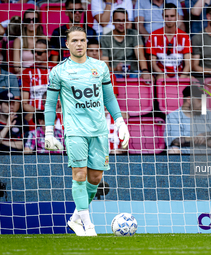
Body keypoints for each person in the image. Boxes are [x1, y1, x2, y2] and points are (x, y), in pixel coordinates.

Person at [44, 26, 130, 236]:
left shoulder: (100, 67)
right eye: (74, 41)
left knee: (95, 178)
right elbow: (50, 103)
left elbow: (109, 97)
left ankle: (75, 219)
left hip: (99, 131)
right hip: (75, 131)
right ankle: (87, 225)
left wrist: (120, 123)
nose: (79, 44)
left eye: (82, 40)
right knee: (79, 175)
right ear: (67, 44)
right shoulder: (59, 71)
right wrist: (48, 132)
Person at [164, 85, 211, 154]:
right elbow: (176, 141)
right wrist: (205, 141)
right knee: (173, 151)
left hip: (208, 154)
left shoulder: (207, 113)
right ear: (189, 100)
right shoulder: (173, 116)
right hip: (186, 155)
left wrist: (206, 135)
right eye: (200, 100)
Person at [100, 8, 152, 80]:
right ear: (112, 22)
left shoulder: (134, 34)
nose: (121, 23)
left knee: (147, 78)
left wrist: (145, 71)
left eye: (124, 20)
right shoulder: (105, 38)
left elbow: (140, 55)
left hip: (133, 72)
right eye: (118, 20)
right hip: (115, 74)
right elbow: (105, 64)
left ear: (128, 22)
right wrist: (115, 69)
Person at [146, 3, 192, 80]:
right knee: (159, 78)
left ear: (177, 16)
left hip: (179, 76)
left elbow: (188, 64)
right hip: (161, 76)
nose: (169, 19)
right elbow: (152, 63)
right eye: (166, 16)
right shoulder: (153, 36)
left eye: (172, 16)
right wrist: (164, 76)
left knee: (193, 80)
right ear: (162, 16)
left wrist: (180, 79)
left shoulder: (185, 36)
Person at [21, 39, 55, 119]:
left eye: (39, 53)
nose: (35, 55)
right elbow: (24, 103)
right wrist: (39, 113)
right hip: (35, 114)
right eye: (34, 52)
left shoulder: (58, 70)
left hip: (56, 112)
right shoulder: (26, 72)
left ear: (48, 53)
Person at [13, 9, 46, 74]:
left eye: (34, 20)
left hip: (42, 75)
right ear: (24, 23)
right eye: (28, 20)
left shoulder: (45, 39)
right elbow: (16, 68)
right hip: (24, 74)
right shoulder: (18, 41)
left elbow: (48, 63)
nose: (31, 23)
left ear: (38, 22)